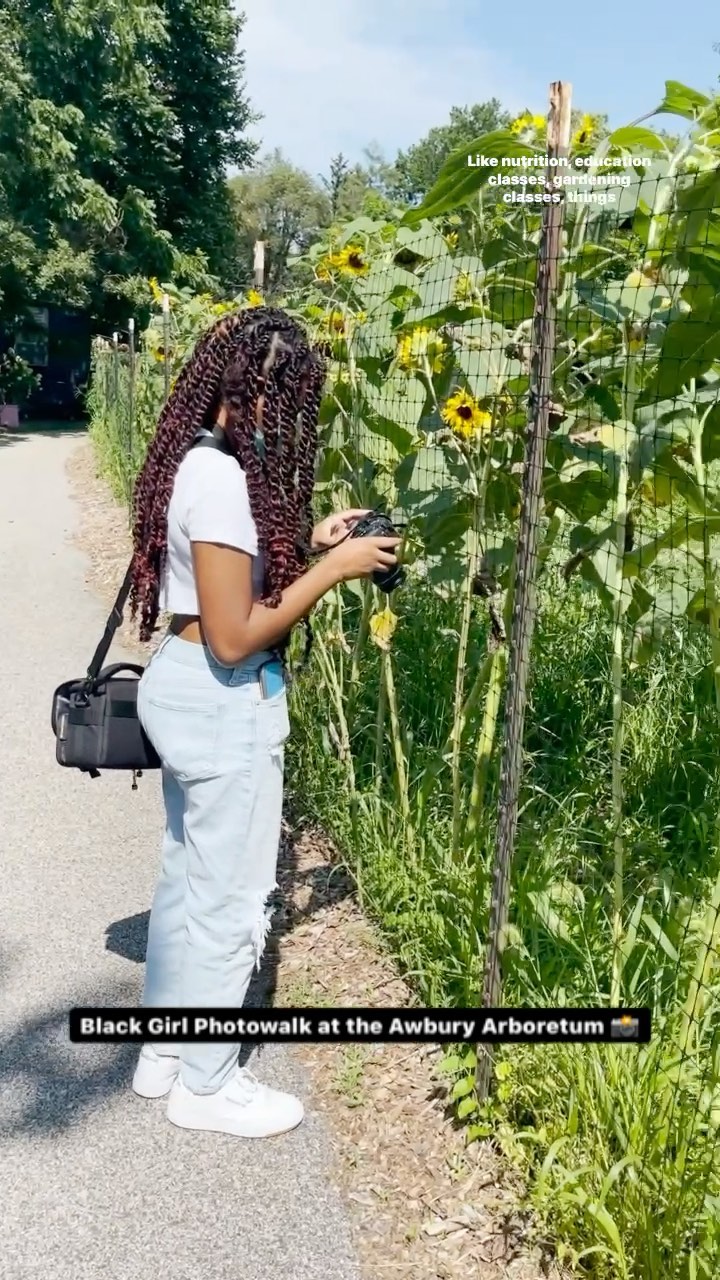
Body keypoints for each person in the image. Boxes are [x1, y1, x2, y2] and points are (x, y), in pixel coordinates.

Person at [126, 306, 400, 1139]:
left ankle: (164, 1054)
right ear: (268, 393)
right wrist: (333, 569)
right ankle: (207, 1085)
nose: (292, 427)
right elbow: (237, 630)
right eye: (292, 404)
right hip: (221, 694)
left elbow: (222, 575)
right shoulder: (219, 478)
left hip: (186, 684)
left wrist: (305, 537)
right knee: (230, 897)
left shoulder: (199, 461)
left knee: (186, 878)